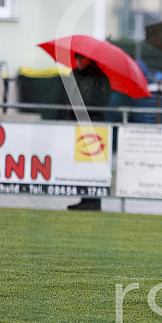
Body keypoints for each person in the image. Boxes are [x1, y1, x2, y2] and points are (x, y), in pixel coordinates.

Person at [66, 54, 111, 211]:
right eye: (77, 58)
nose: (78, 61)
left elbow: (101, 101)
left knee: (93, 163)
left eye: (81, 58)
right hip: (79, 124)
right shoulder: (74, 75)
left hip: (94, 126)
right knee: (82, 162)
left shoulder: (100, 77)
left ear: (89, 60)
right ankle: (85, 197)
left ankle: (92, 199)